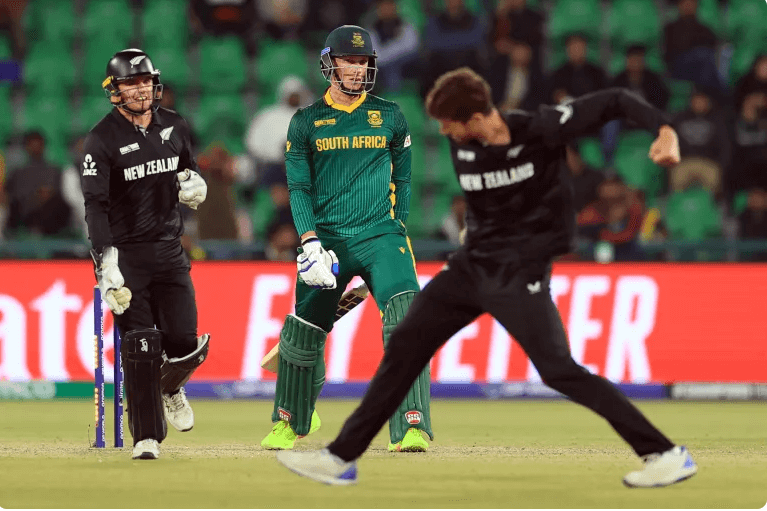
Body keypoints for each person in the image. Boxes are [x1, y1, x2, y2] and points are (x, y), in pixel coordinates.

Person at [276, 68, 698, 489]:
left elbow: (616, 101)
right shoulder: (462, 143)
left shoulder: (540, 129)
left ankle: (665, 454)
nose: (443, 133)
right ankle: (340, 458)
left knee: (559, 371)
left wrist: (664, 129)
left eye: (448, 124)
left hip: (519, 274)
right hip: (472, 266)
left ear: (476, 119)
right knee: (406, 344)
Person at [259, 25, 433, 453]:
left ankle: (412, 423)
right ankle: (291, 420)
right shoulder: (305, 123)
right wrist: (309, 242)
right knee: (303, 332)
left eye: (363, 62)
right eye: (349, 61)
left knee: (406, 318)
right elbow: (298, 190)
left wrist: (397, 232)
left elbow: (404, 181)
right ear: (330, 63)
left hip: (380, 235)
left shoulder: (390, 114)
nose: (357, 69)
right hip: (328, 241)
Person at [80, 48, 210, 460]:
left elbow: (187, 173)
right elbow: (95, 206)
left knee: (185, 341)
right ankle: (146, 437)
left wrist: (194, 186)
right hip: (126, 256)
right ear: (115, 92)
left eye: (144, 82)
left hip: (169, 250)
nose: (139, 90)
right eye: (129, 83)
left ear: (156, 85)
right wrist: (105, 261)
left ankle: (171, 387)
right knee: (139, 346)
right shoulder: (101, 139)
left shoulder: (175, 125)